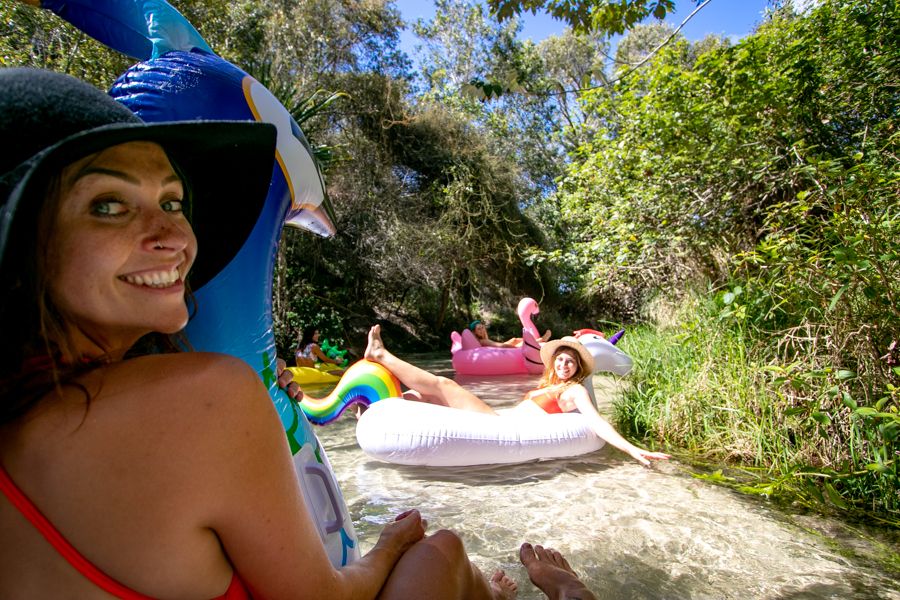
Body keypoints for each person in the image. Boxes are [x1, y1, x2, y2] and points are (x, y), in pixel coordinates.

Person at [0, 68, 519, 599]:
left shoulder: (23, 418)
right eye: (108, 205)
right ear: (21, 242)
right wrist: (389, 544)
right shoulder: (207, 395)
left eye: (174, 202)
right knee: (444, 551)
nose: (174, 235)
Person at [365, 325, 670, 466]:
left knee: (446, 386)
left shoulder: (574, 390)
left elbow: (596, 421)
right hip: (500, 421)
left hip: (500, 428)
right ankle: (370, 406)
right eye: (560, 360)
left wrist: (631, 450)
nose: (563, 364)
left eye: (570, 361)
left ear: (577, 368)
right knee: (421, 396)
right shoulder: (547, 385)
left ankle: (381, 354)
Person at [470, 319, 551, 348]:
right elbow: (500, 346)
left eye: (482, 327)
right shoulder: (483, 341)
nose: (482, 330)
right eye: (479, 329)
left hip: (496, 347)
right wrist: (514, 348)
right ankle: (541, 340)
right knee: (520, 343)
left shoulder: (484, 338)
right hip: (499, 350)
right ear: (475, 332)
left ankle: (535, 339)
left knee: (514, 339)